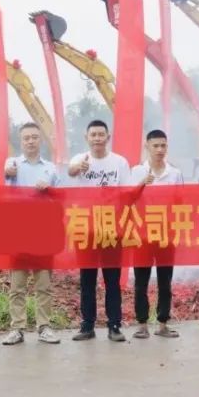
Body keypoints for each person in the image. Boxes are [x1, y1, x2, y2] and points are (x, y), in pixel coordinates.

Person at [68, 119, 130, 342]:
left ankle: (114, 325)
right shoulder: (79, 159)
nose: (97, 138)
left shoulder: (120, 162)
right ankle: (87, 325)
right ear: (87, 138)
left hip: (111, 227)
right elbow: (70, 171)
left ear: (108, 137)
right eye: (93, 134)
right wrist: (78, 169)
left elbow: (126, 193)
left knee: (112, 279)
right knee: (87, 278)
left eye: (100, 134)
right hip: (85, 227)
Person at [1, 122, 62, 346]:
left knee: (43, 284)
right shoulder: (13, 164)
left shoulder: (51, 169)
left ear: (41, 140)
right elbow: (5, 179)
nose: (30, 141)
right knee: (17, 285)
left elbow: (61, 199)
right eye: (26, 138)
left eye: (34, 137)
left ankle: (44, 327)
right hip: (19, 232)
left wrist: (50, 190)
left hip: (43, 232)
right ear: (21, 141)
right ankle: (17, 328)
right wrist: (7, 171)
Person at [129, 129, 182, 339]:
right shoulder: (136, 171)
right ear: (147, 146)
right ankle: (142, 323)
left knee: (165, 281)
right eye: (156, 146)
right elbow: (127, 198)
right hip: (142, 234)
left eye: (163, 146)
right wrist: (142, 183)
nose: (160, 150)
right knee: (141, 281)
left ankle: (162, 323)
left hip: (166, 234)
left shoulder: (175, 173)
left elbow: (180, 202)